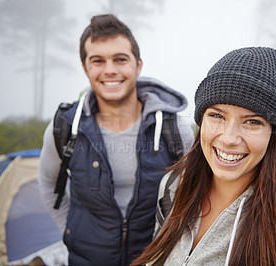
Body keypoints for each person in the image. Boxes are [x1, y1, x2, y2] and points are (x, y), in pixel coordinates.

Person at [132, 47, 276, 265]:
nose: (229, 138)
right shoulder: (173, 188)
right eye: (217, 116)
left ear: (273, 134)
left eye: (252, 122)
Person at [38, 14, 193, 265]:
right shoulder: (65, 128)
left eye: (120, 59)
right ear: (85, 67)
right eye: (98, 60)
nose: (110, 70)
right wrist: (71, 230)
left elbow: (195, 191)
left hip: (155, 260)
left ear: (138, 65)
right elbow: (47, 182)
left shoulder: (174, 127)